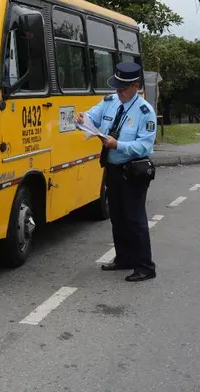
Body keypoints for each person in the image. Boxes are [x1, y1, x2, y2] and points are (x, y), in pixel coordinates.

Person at [75, 62, 157, 282]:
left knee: (135, 219)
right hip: (112, 168)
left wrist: (117, 145)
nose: (118, 92)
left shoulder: (144, 111)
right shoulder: (110, 102)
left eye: (123, 89)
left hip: (133, 171)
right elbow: (92, 117)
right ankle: (123, 259)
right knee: (118, 217)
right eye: (117, 88)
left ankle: (145, 266)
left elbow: (145, 146)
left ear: (136, 86)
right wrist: (82, 119)